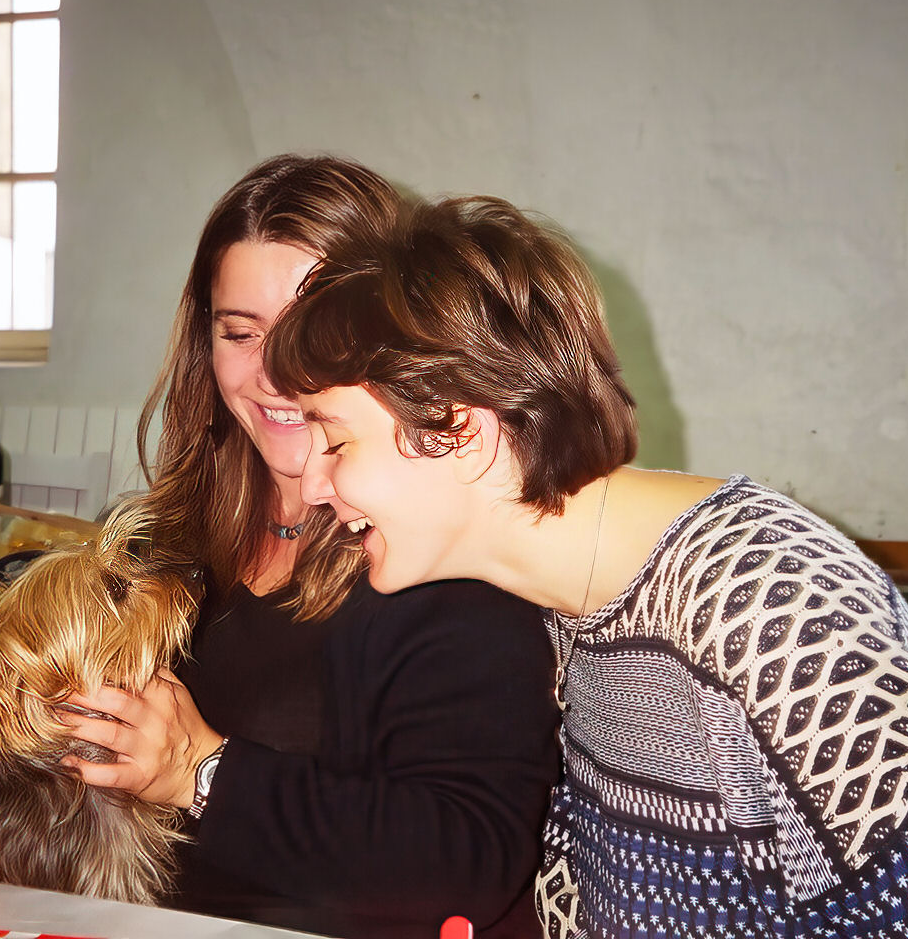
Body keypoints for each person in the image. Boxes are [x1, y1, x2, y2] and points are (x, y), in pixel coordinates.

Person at [262, 196, 908, 939]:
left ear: (461, 433)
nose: (312, 482)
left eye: (335, 440)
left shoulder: (775, 607)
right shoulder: (569, 615)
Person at [59, 157, 559, 938]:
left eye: (310, 329)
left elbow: (466, 863)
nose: (273, 372)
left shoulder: (440, 558)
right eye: (240, 332)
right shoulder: (153, 542)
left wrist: (201, 771)